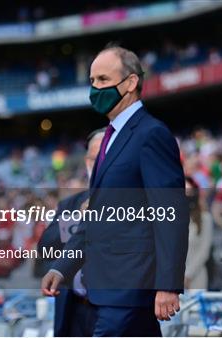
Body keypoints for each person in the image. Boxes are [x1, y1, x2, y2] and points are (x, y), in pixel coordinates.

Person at [41, 45, 189, 337]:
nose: (95, 88)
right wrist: (62, 268)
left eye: (103, 80)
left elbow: (170, 213)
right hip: (107, 287)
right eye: (92, 81)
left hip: (129, 288)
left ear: (131, 83)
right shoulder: (108, 138)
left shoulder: (150, 134)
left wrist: (168, 284)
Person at [36, 129, 103, 337]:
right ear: (86, 161)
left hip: (109, 307)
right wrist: (78, 218)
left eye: (104, 157)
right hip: (72, 306)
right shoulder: (71, 203)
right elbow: (45, 246)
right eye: (94, 158)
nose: (98, 164)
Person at [184, 176, 212, 290]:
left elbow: (204, 251)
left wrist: (188, 275)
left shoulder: (205, 218)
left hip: (197, 277)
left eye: (189, 191)